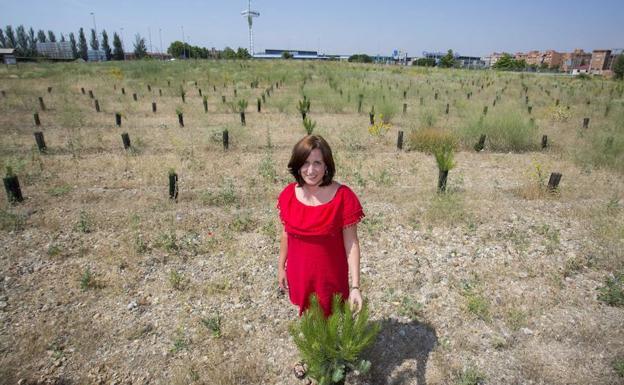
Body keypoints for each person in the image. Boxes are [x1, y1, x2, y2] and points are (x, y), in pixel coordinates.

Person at [276, 135, 365, 318]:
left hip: (330, 278)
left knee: (330, 322)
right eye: (305, 163)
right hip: (299, 273)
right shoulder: (288, 195)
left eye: (317, 163)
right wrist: (281, 267)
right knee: (308, 320)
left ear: (326, 166)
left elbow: (352, 244)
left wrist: (355, 286)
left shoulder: (343, 197)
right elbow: (286, 234)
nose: (310, 170)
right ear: (297, 165)